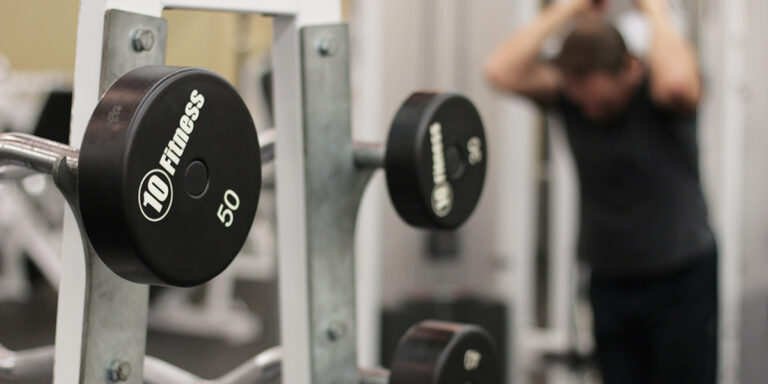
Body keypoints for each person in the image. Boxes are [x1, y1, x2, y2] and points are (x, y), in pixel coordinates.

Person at [485, 0, 717, 383]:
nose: (590, 111)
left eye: (602, 102)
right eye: (582, 100)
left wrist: (653, 8)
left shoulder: (660, 91)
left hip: (680, 277)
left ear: (630, 68)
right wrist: (567, 7)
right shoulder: (572, 99)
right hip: (609, 278)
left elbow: (679, 83)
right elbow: (499, 69)